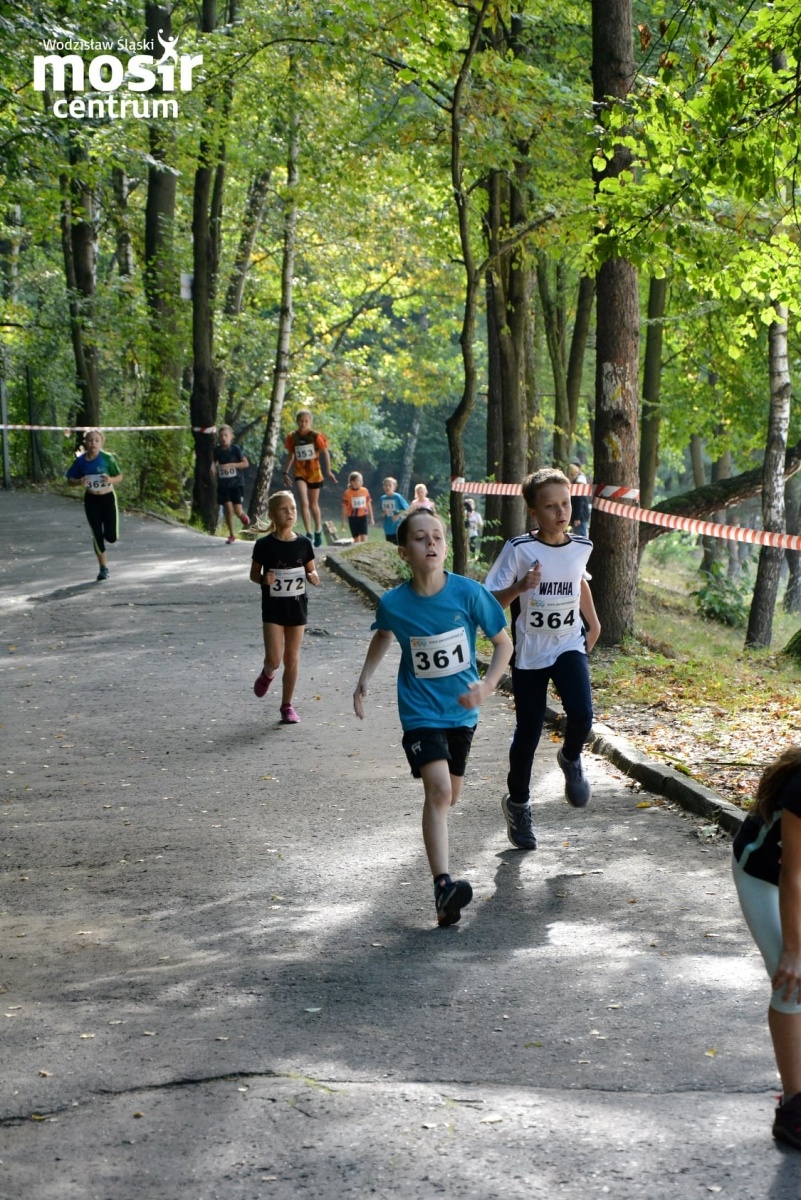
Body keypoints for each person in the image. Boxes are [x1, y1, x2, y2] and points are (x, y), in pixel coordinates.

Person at [353, 510, 512, 927]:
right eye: (421, 538)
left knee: (448, 796)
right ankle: (443, 887)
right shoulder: (394, 602)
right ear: (405, 552)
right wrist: (364, 680)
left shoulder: (469, 593)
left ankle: (444, 900)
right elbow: (384, 633)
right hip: (420, 710)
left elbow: (503, 643)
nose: (432, 543)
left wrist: (488, 684)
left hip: (461, 711)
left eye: (438, 536)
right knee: (439, 791)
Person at [484, 468, 600, 851]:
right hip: (530, 654)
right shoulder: (519, 549)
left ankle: (570, 757)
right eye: (550, 507)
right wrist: (520, 588)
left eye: (565, 503)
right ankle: (517, 804)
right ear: (534, 512)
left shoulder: (581, 544)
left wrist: (593, 622)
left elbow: (577, 579)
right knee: (529, 733)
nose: (560, 512)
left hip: (568, 643)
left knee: (582, 715)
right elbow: (489, 602)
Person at [732, 747, 801, 1148]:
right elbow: (793, 874)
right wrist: (793, 951)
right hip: (766, 876)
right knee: (792, 984)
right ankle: (793, 1107)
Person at [250, 490, 320, 725]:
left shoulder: (303, 543)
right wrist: (263, 579)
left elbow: (311, 568)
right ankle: (268, 673)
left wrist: (313, 576)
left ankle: (286, 706)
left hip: (297, 607)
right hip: (272, 608)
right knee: (274, 659)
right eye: (284, 509)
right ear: (272, 515)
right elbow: (253, 574)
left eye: (293, 509)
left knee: (292, 658)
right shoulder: (263, 545)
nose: (290, 513)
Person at [65, 429, 124, 582]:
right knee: (96, 533)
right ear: (85, 442)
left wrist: (110, 480)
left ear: (101, 442)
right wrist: (78, 482)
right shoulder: (80, 461)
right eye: (90, 440)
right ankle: (103, 568)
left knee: (111, 537)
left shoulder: (107, 458)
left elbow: (119, 477)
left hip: (108, 498)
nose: (93, 443)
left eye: (97, 440)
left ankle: (109, 535)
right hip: (91, 500)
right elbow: (69, 480)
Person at [282, 409, 337, 547]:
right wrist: (285, 472)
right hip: (300, 472)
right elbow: (291, 455)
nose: (303, 424)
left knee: (313, 504)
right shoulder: (292, 437)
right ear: (297, 421)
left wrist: (328, 471)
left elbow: (325, 453)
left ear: (310, 421)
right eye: (300, 421)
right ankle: (308, 533)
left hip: (314, 473)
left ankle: (317, 529)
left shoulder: (316, 436)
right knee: (304, 502)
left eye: (306, 421)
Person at [214, 424, 250, 544]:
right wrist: (213, 468)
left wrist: (232, 465)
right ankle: (231, 535)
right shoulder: (217, 450)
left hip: (236, 484)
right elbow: (215, 462)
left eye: (226, 435)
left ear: (231, 437)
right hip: (224, 485)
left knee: (237, 510)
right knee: (228, 508)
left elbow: (245, 464)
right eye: (221, 436)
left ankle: (242, 516)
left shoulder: (236, 449)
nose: (223, 438)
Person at [341, 471, 374, 543]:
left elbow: (368, 504)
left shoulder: (364, 490)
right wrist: (343, 522)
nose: (361, 482)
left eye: (361, 480)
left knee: (364, 540)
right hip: (353, 518)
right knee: (356, 540)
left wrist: (371, 518)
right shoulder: (347, 493)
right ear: (353, 482)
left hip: (363, 517)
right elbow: (344, 508)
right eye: (359, 480)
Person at [380, 476, 409, 545]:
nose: (387, 487)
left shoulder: (397, 497)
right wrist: (383, 514)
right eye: (386, 485)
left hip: (398, 526)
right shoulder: (382, 498)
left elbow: (407, 509)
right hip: (388, 527)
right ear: (383, 487)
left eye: (390, 485)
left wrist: (397, 516)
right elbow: (382, 513)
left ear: (394, 487)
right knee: (390, 545)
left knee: (399, 544)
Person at [568, 460, 590, 538]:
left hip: (581, 517)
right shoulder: (577, 482)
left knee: (580, 538)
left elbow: (579, 501)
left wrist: (577, 517)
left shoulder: (578, 483)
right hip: (580, 516)